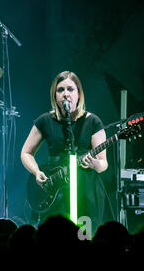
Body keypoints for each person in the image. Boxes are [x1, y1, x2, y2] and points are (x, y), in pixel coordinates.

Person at [21, 71, 108, 233]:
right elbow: (26, 152)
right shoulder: (45, 120)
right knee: (55, 238)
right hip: (55, 186)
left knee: (85, 237)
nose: (65, 94)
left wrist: (95, 163)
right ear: (54, 95)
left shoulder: (92, 121)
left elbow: (103, 163)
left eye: (70, 89)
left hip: (85, 188)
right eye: (60, 90)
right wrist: (36, 171)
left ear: (79, 94)